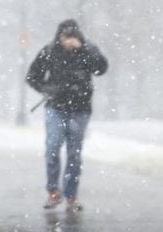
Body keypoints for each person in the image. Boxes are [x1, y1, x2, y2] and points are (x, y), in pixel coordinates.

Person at [26, 19, 108, 212]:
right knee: (53, 147)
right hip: (55, 107)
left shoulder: (88, 50)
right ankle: (53, 191)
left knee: (74, 153)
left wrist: (86, 50)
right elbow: (32, 76)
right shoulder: (49, 51)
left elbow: (101, 69)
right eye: (65, 36)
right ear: (59, 36)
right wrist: (47, 89)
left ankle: (71, 196)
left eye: (73, 36)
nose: (69, 41)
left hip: (80, 109)